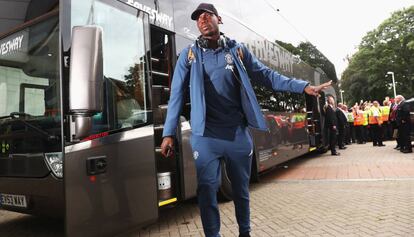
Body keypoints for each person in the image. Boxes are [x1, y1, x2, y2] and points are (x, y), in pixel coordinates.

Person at [160, 3, 331, 237]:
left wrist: (303, 87)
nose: (202, 20)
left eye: (207, 15)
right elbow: (176, 94)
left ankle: (245, 232)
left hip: (237, 135)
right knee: (207, 188)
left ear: (218, 20)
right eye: (198, 18)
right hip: (205, 135)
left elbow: (267, 76)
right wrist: (168, 133)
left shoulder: (237, 51)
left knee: (241, 190)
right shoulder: (189, 56)